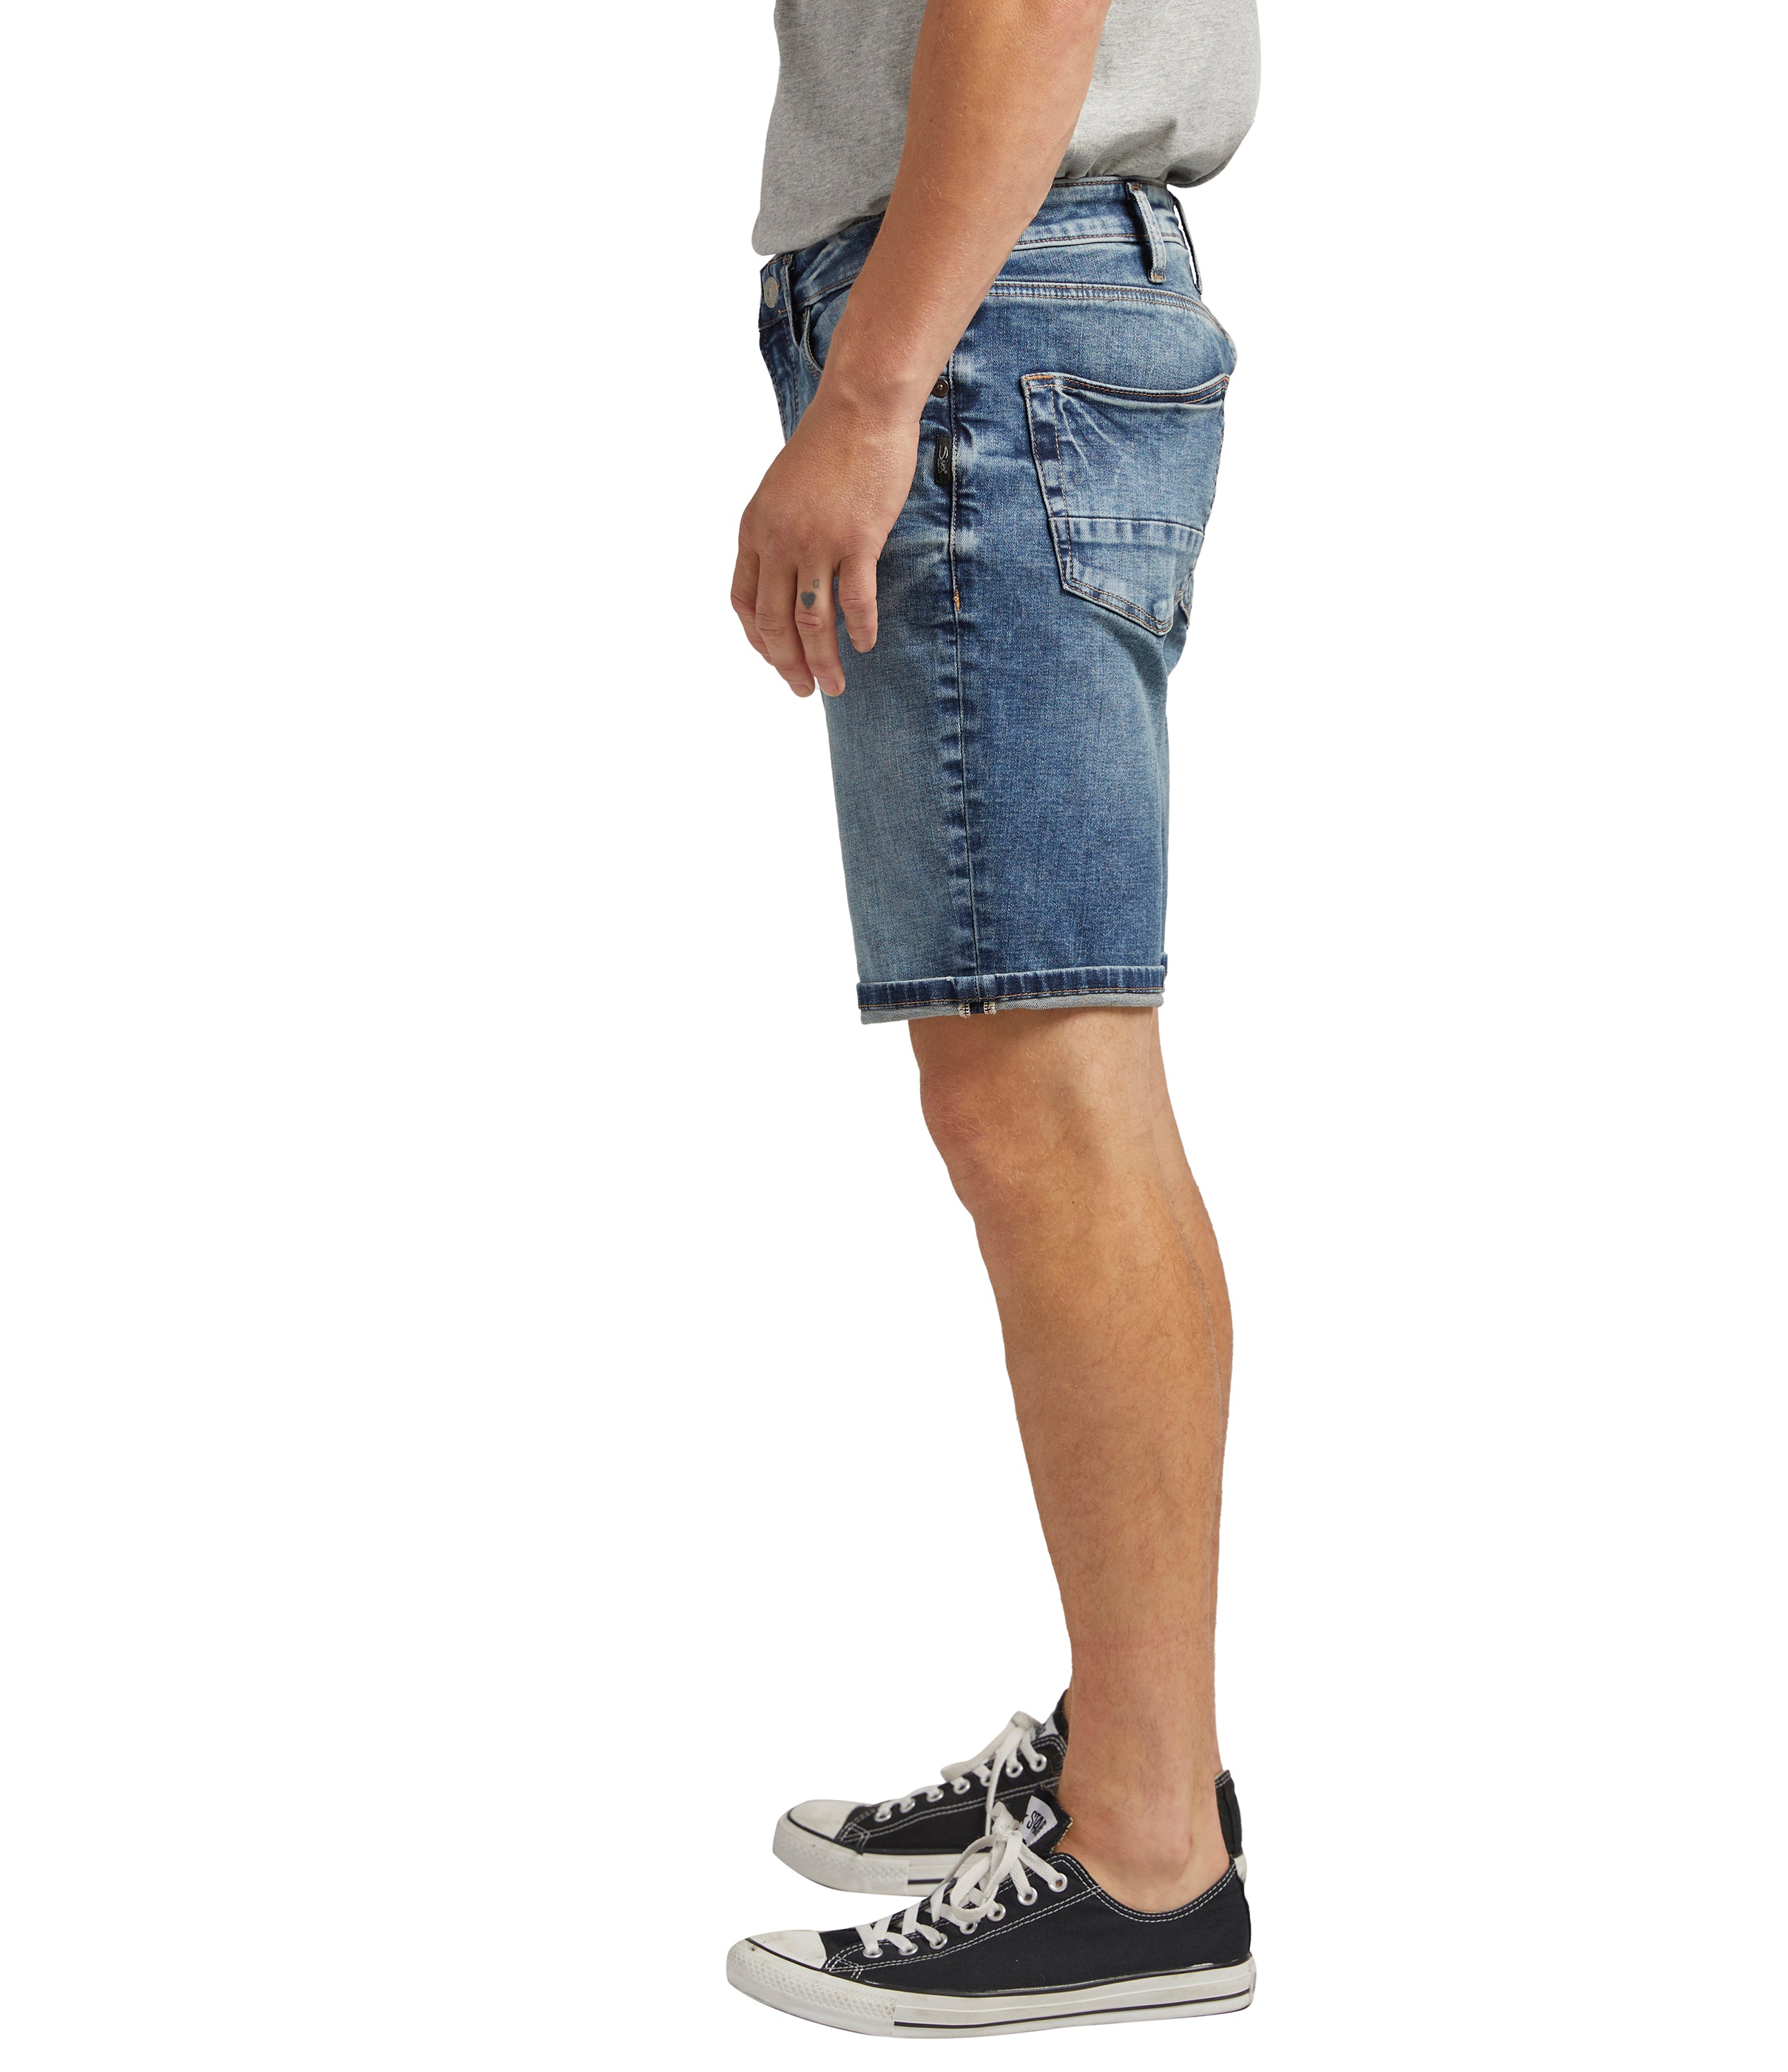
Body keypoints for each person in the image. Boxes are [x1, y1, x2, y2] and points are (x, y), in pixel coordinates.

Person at [725, 0, 1260, 2037]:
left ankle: (1145, 1857)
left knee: (1048, 1091)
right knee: (1051, 1078)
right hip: (1001, 295)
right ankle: (1139, 1753)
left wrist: (872, 400)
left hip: (976, 312)